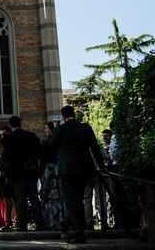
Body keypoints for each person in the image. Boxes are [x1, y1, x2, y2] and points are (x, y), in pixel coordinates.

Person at [48, 105, 106, 244]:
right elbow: (95, 148)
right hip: (84, 169)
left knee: (72, 202)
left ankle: (78, 233)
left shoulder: (60, 129)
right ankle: (66, 224)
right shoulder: (85, 128)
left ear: (63, 116)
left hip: (67, 169)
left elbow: (51, 147)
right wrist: (102, 167)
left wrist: (56, 130)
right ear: (74, 113)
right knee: (78, 200)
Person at [1, 115, 45, 231]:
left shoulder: (9, 138)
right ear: (20, 123)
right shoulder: (31, 136)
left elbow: (7, 154)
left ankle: (22, 223)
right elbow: (40, 152)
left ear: (10, 125)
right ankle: (40, 222)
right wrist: (31, 163)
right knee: (34, 196)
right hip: (31, 171)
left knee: (20, 197)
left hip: (17, 173)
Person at [41, 121, 65, 231]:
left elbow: (43, 158)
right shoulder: (59, 142)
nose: (45, 130)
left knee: (50, 198)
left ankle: (52, 223)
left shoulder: (48, 143)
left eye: (46, 128)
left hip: (50, 172)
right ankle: (60, 221)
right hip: (58, 171)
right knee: (59, 198)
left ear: (51, 129)